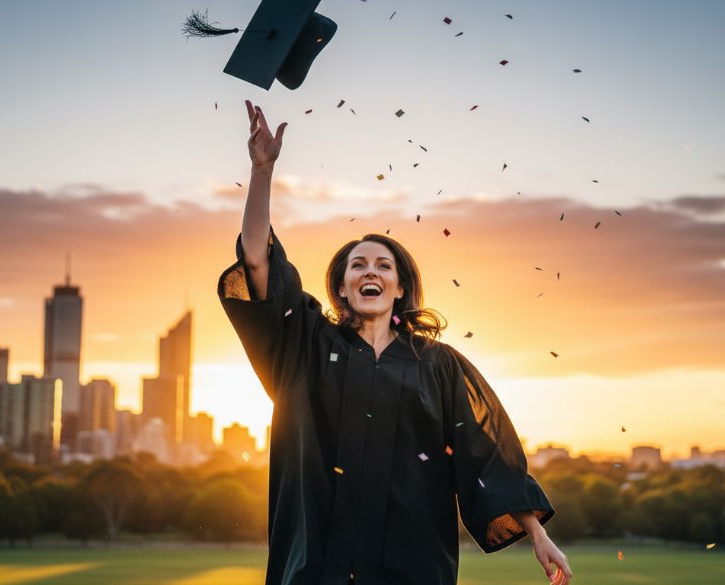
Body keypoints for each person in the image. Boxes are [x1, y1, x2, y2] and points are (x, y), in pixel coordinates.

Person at [218, 100, 573, 585]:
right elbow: (258, 263)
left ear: (400, 286)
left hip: (412, 565)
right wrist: (262, 172)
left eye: (383, 265)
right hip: (317, 566)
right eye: (357, 265)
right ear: (341, 287)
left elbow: (484, 452)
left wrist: (536, 531)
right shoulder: (304, 348)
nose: (371, 271)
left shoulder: (439, 365)